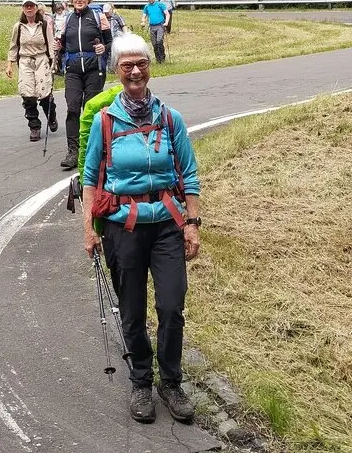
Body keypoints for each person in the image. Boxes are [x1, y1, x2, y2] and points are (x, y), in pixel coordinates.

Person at [80, 33, 202, 425]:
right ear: (116, 71)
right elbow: (89, 178)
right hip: (123, 229)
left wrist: (193, 223)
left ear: (150, 67)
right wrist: (89, 229)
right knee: (132, 311)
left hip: (167, 224)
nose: (135, 71)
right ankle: (141, 382)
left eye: (141, 63)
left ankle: (171, 381)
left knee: (171, 305)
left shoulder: (170, 118)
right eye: (127, 65)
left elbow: (189, 174)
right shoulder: (104, 120)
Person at [54, 0, 112, 170]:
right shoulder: (67, 19)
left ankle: (93, 149)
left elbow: (111, 42)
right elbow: (62, 45)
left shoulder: (98, 16)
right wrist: (58, 48)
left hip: (94, 68)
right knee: (72, 108)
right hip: (72, 70)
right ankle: (73, 151)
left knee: (91, 109)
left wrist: (104, 48)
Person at [6, 0, 58, 142]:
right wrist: (9, 64)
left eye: (31, 6)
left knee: (44, 92)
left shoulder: (44, 25)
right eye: (26, 6)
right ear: (23, 8)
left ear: (36, 8)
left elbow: (51, 43)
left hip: (41, 59)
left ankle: (51, 115)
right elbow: (13, 46)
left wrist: (54, 62)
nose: (29, 9)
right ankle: (34, 125)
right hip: (25, 61)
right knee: (27, 93)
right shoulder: (18, 26)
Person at [141, 0, 170, 64]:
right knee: (154, 44)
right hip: (152, 26)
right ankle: (158, 59)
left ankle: (162, 58)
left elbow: (167, 14)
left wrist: (166, 22)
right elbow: (144, 15)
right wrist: (143, 21)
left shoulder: (160, 5)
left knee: (159, 41)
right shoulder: (147, 6)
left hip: (160, 25)